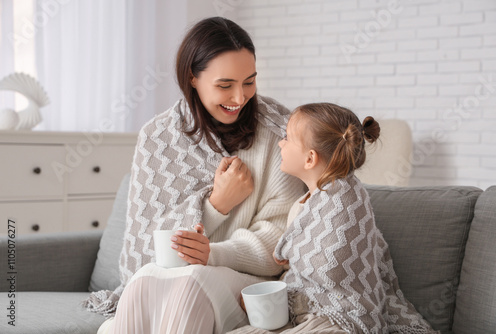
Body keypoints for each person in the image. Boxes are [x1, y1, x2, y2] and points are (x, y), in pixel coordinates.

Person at [85, 17, 305, 334]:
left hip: (247, 276)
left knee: (191, 281)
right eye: (225, 85)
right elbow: (146, 248)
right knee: (144, 281)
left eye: (250, 81)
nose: (240, 97)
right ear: (192, 78)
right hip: (175, 273)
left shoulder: (279, 131)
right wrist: (217, 205)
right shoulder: (157, 138)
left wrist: (211, 253)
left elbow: (279, 241)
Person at [232, 103, 439, 333]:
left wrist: (290, 252)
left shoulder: (345, 197)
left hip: (343, 314)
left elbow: (332, 266)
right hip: (313, 313)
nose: (281, 143)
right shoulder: (307, 202)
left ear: (310, 159)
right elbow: (301, 254)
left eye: (287, 138)